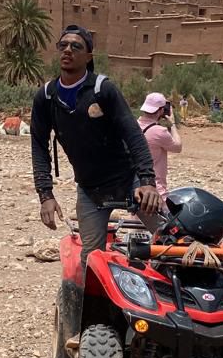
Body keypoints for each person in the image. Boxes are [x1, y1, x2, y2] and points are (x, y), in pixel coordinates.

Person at [30, 24, 163, 257]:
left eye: (76, 46)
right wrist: (46, 195)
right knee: (91, 260)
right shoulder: (46, 97)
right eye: (63, 45)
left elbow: (133, 134)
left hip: (130, 181)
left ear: (88, 55)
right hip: (91, 191)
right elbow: (39, 146)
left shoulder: (103, 90)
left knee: (171, 238)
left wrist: (148, 181)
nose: (68, 50)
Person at [137, 92, 182, 198]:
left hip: (137, 187)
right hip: (155, 189)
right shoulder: (159, 131)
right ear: (161, 110)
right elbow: (178, 147)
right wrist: (173, 124)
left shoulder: (134, 126)